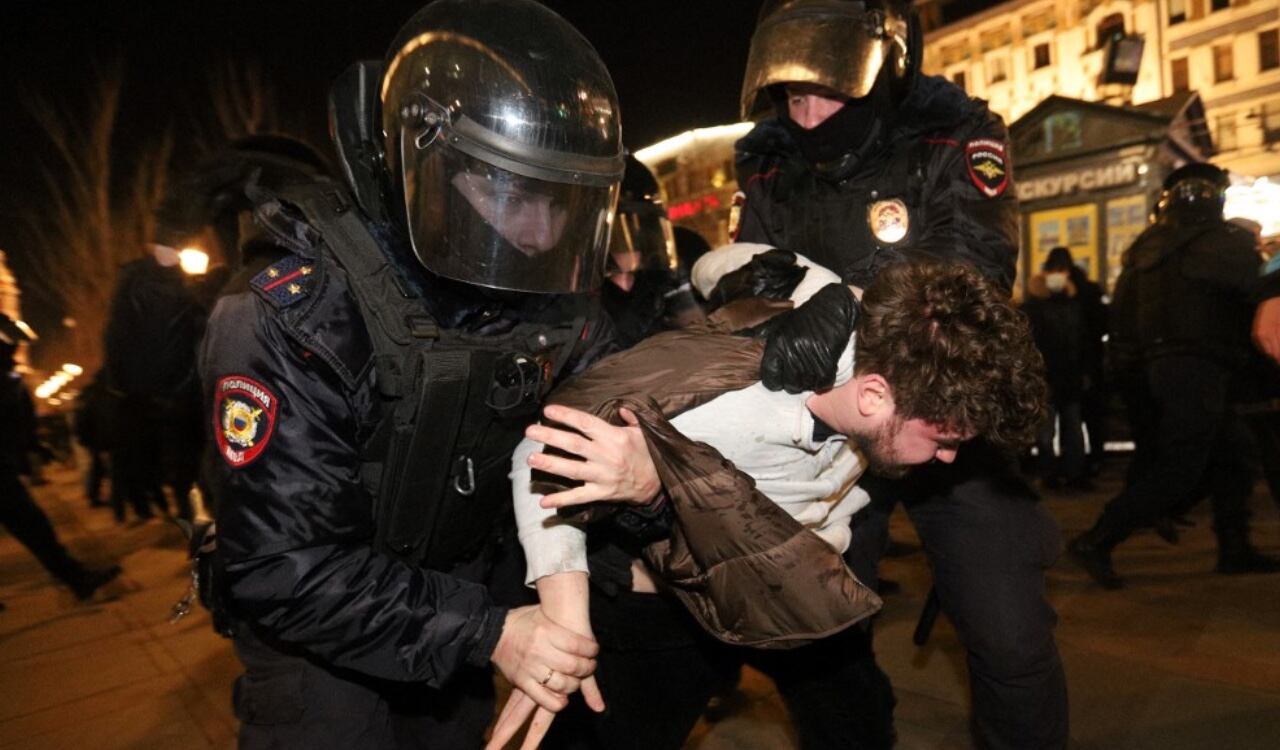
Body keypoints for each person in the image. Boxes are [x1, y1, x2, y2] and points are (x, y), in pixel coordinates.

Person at [198, 1, 626, 746]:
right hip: (319, 639)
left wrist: (642, 475)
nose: (538, 233)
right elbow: (283, 564)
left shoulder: (555, 308)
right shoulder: (293, 316)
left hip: (462, 606)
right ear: (420, 167)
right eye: (508, 194)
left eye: (557, 202)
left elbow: (609, 419)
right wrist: (492, 632)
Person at [491, 258, 1047, 750]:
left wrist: (800, 287)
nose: (948, 458)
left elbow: (719, 262)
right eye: (942, 439)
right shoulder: (730, 405)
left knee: (860, 723)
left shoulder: (854, 324)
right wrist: (565, 615)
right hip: (672, 603)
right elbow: (540, 451)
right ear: (874, 395)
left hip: (797, 578)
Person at [720, 2, 1067, 747]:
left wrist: (838, 305)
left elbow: (975, 265)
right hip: (831, 425)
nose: (806, 112)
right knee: (817, 638)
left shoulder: (954, 133)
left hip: (948, 414)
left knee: (1008, 632)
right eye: (791, 92)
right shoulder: (767, 161)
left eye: (826, 88)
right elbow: (750, 284)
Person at [1068, 162, 1280, 588]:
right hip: (1203, 366)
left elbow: (1122, 320)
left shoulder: (1144, 249)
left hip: (1159, 370)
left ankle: (1234, 547)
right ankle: (1099, 539)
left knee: (1234, 456)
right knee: (1183, 464)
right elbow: (1255, 298)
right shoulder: (1228, 241)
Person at [0, 314, 121, 602]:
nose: (16, 349)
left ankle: (77, 578)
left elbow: (15, 419)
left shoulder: (8, 374)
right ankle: (76, 579)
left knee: (33, 524)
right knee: (31, 523)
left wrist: (32, 445)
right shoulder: (5, 376)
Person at [103, 242, 206, 522]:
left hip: (158, 395)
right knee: (193, 459)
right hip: (183, 389)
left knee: (181, 465)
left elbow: (116, 345)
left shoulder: (130, 293)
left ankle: (193, 520)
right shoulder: (169, 290)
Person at [601, 155, 704, 348]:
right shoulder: (579, 313)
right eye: (617, 240)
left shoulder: (674, 269)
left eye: (636, 237)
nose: (624, 282)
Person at [1022, 247, 1090, 490]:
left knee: (1071, 428)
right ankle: (1050, 473)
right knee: (1047, 431)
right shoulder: (1034, 306)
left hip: (1067, 375)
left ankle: (1073, 473)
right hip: (1046, 376)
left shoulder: (1071, 303)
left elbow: (1080, 340)